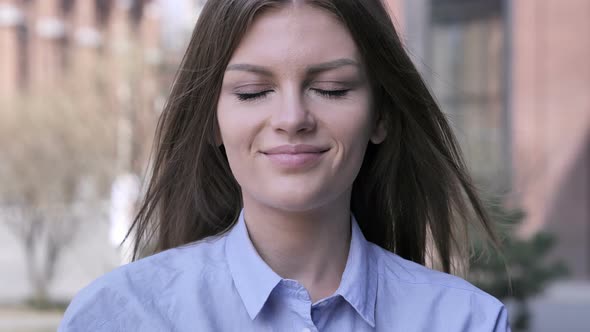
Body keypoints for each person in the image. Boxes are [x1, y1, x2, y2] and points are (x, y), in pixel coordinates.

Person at [59, 0, 511, 331]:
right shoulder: (120, 315)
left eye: (332, 88)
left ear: (381, 115)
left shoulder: (464, 320)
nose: (292, 118)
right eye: (253, 92)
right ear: (213, 122)